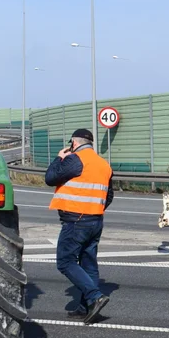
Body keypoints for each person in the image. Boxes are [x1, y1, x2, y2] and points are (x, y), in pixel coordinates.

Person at [45, 128, 114, 323]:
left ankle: (94, 296)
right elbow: (108, 195)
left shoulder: (75, 160)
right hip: (96, 220)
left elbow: (50, 178)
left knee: (65, 261)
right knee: (88, 263)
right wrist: (93, 207)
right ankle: (86, 308)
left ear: (73, 143)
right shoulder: (104, 164)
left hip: (76, 220)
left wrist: (59, 158)